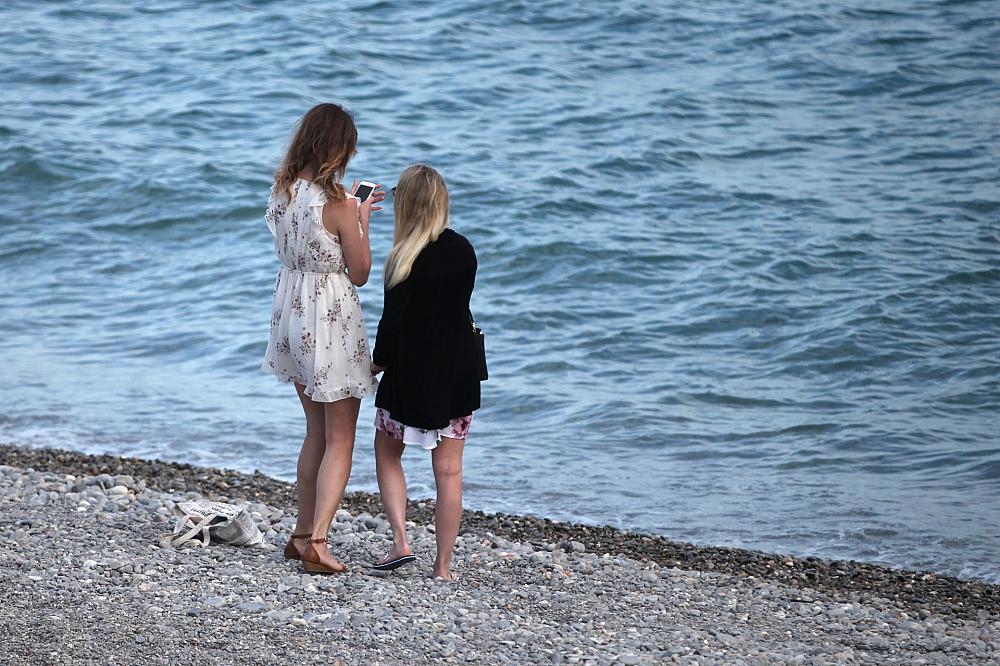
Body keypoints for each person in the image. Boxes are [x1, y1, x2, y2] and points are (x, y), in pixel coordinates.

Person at [261, 102, 384, 574]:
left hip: (290, 308)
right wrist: (361, 221)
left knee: (315, 429)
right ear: (340, 149)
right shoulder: (340, 204)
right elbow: (361, 272)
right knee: (341, 436)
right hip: (329, 317)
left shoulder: (285, 189)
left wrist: (352, 214)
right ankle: (318, 541)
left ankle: (299, 533)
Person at [369, 164, 483, 581]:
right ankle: (443, 567)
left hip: (409, 378)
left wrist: (374, 365)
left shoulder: (403, 257)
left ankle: (401, 541)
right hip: (457, 376)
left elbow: (392, 327)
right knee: (449, 472)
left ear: (408, 204)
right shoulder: (464, 250)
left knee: (386, 453)